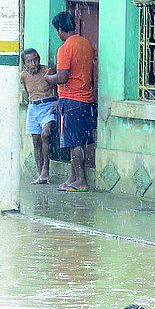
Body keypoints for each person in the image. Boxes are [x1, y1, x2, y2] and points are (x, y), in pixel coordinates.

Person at [46, 11, 97, 192]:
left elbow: (61, 77)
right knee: (78, 141)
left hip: (71, 101)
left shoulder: (65, 48)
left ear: (60, 30)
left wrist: (48, 78)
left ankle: (81, 181)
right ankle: (73, 177)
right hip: (87, 100)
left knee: (73, 142)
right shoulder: (86, 43)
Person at [21, 48, 58, 185]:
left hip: (49, 106)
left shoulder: (47, 70)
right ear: (25, 63)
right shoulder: (24, 76)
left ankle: (45, 170)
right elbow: (27, 92)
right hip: (33, 108)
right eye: (29, 61)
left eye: (35, 59)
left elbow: (58, 87)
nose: (33, 63)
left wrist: (58, 102)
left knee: (45, 135)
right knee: (36, 140)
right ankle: (40, 175)